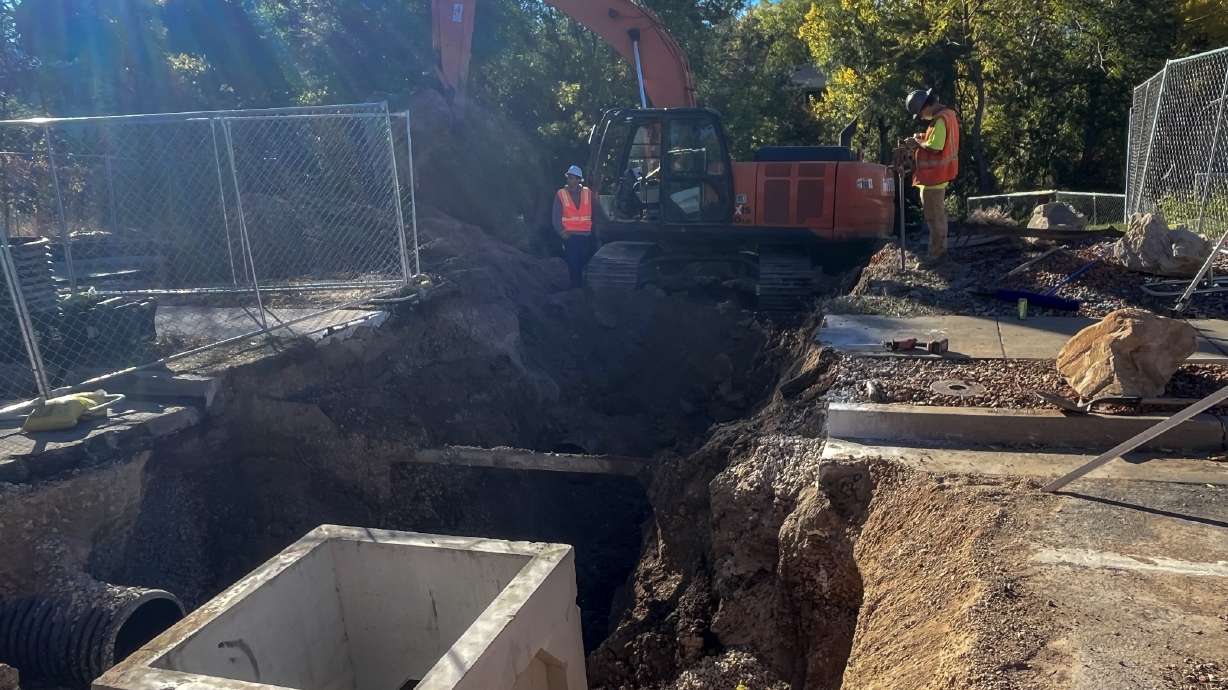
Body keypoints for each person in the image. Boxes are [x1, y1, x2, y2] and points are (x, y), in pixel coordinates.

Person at [904, 88, 960, 260]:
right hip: (937, 177)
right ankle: (939, 251)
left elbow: (935, 147)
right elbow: (935, 140)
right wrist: (921, 137)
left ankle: (936, 255)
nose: (921, 118)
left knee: (934, 219)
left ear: (926, 107)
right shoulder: (946, 116)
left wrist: (916, 143)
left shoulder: (940, 120)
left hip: (933, 178)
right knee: (938, 217)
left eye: (920, 114)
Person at [552, 165, 605, 288]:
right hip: (570, 236)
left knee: (584, 263)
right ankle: (576, 289)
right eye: (569, 177)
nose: (570, 180)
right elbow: (555, 216)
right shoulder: (561, 194)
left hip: (585, 236)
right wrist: (562, 232)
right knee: (573, 264)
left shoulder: (588, 193)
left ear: (578, 179)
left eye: (572, 178)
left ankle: (582, 288)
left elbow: (597, 212)